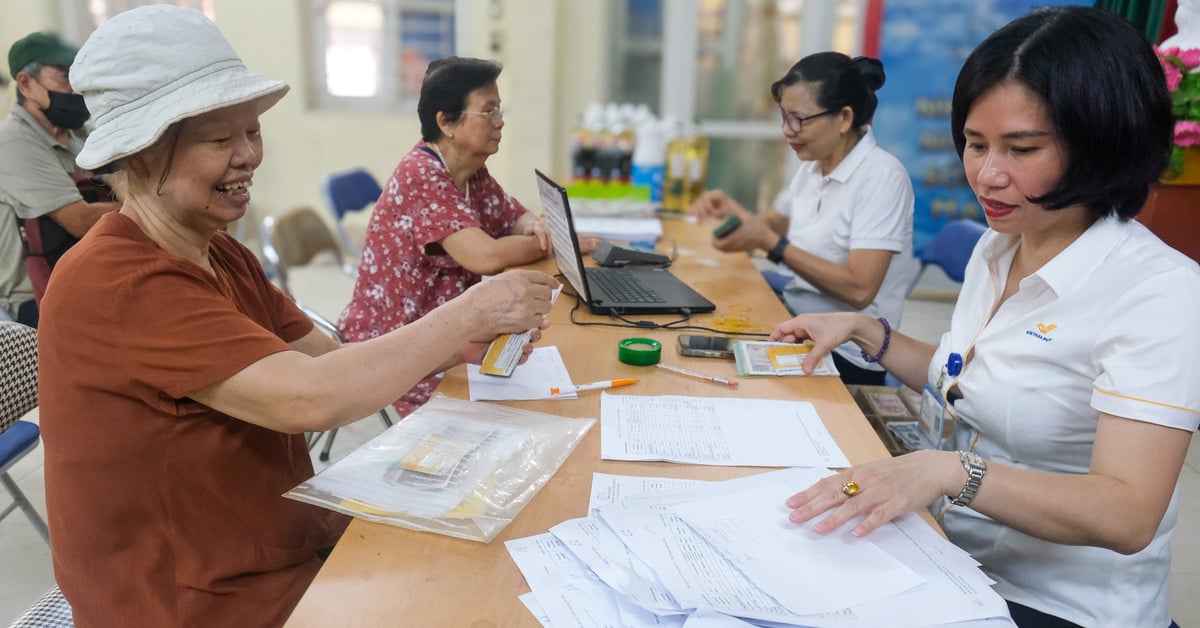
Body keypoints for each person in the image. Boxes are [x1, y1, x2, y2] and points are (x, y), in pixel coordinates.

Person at [37, 6, 558, 627]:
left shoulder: (217, 251)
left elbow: (328, 364)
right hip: (187, 597)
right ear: (142, 154)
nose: (249, 155)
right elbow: (308, 400)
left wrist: (453, 348)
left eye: (252, 132)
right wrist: (466, 313)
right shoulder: (116, 280)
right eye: (219, 140)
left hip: (265, 543)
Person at [774, 7, 1198, 627]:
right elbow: (969, 380)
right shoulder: (999, 247)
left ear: (1105, 143)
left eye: (1021, 149)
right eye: (975, 144)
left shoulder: (1159, 292)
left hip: (1057, 605)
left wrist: (952, 472)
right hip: (948, 559)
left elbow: (1127, 514)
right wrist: (867, 331)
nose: (987, 175)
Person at [338, 56, 560, 418]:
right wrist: (555, 242)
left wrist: (537, 226)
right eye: (488, 112)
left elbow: (515, 216)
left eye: (499, 110)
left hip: (447, 332)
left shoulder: (472, 172)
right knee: (518, 413)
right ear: (446, 122)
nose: (500, 122)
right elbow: (485, 257)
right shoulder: (420, 174)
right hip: (397, 346)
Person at [688, 52, 916, 385]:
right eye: (783, 117)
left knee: (720, 378)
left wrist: (771, 244)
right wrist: (732, 211)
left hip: (846, 352)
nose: (787, 131)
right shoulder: (812, 165)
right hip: (795, 319)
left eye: (799, 119)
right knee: (701, 324)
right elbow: (772, 227)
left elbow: (859, 289)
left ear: (843, 118)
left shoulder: (883, 177)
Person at [0, 31, 119, 326]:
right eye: (65, 77)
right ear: (26, 84)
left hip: (90, 283)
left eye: (79, 76)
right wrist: (161, 207)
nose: (76, 89)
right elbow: (80, 220)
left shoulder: (81, 133)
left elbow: (131, 180)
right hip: (33, 305)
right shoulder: (12, 142)